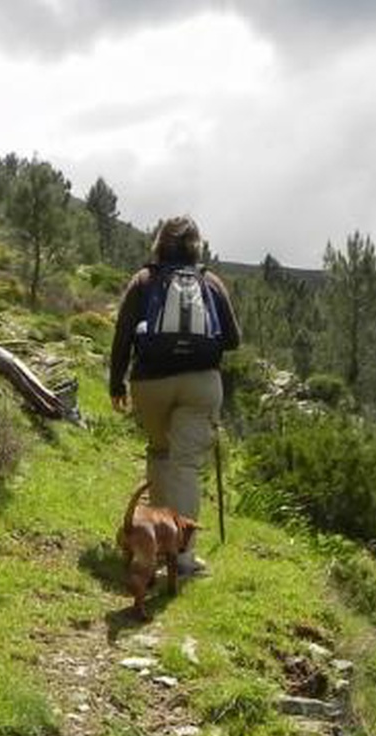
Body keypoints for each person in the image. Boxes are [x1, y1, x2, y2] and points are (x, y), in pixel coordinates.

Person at [108, 216, 241, 576]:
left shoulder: (144, 280)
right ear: (197, 246)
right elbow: (233, 339)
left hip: (150, 383)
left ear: (159, 243)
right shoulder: (210, 282)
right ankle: (181, 557)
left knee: (160, 452)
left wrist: (116, 383)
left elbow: (123, 335)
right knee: (185, 466)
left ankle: (156, 542)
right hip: (201, 385)